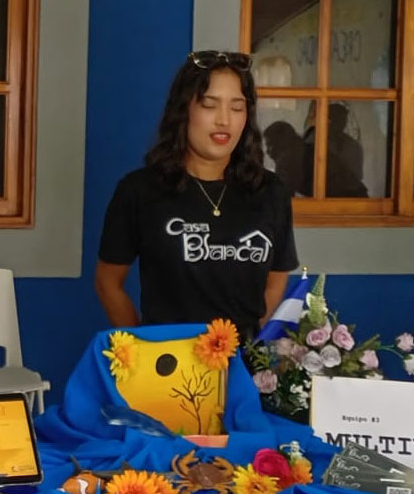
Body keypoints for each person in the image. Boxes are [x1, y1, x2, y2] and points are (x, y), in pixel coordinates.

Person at [95, 50, 299, 342]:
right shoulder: (139, 191)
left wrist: (239, 347)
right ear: (184, 110)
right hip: (168, 368)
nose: (224, 120)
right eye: (209, 105)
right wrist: (144, 346)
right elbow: (108, 281)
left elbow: (276, 280)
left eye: (237, 107)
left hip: (241, 370)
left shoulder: (271, 192)